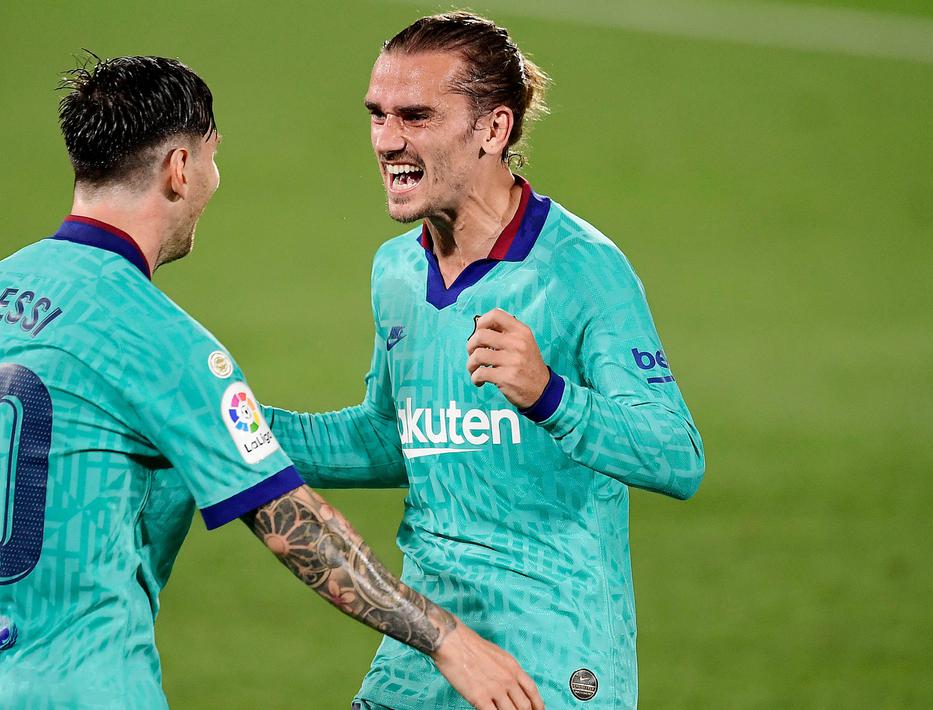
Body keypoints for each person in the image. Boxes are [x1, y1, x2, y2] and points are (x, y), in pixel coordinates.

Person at [0, 55, 542, 710]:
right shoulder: (152, 334)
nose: (213, 179)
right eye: (210, 158)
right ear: (178, 169)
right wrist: (449, 641)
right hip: (79, 690)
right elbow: (293, 525)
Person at [262, 12, 706, 709]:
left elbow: (676, 456)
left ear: (493, 130)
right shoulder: (396, 273)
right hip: (428, 643)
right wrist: (222, 424)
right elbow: (392, 437)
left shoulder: (580, 271)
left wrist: (550, 395)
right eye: (376, 115)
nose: (386, 140)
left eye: (415, 116)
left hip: (553, 658)